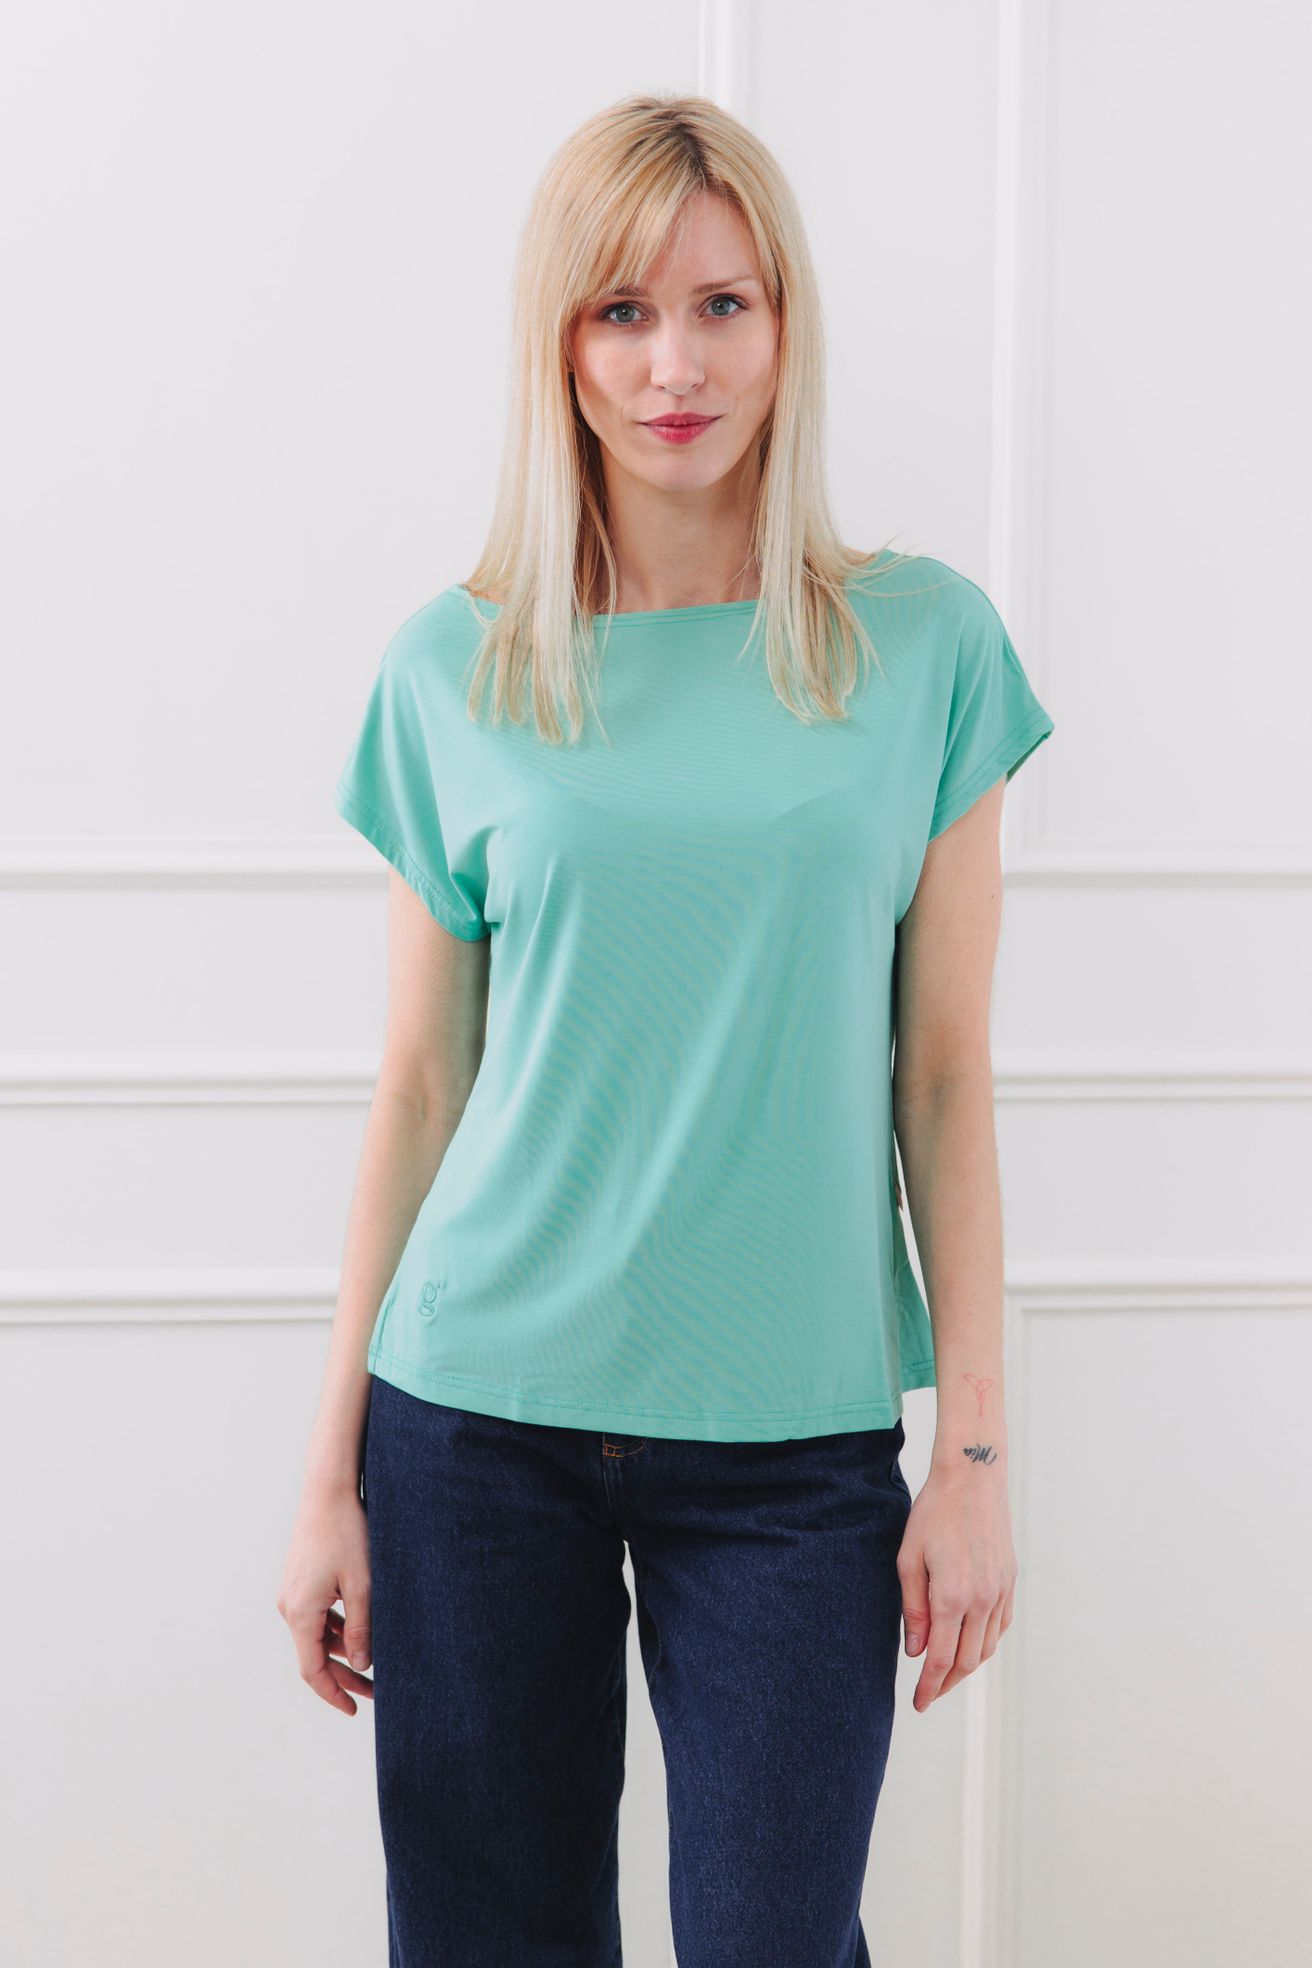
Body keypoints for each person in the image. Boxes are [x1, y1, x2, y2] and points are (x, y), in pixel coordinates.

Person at [277, 91, 1055, 1968]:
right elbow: (422, 1087)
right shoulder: (457, 664)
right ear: (559, 343)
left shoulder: (926, 651)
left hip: (793, 1450)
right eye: (621, 312)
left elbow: (943, 1077)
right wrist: (326, 1477)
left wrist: (972, 1459)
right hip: (475, 1430)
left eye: (721, 305)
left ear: (786, 325)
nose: (675, 365)